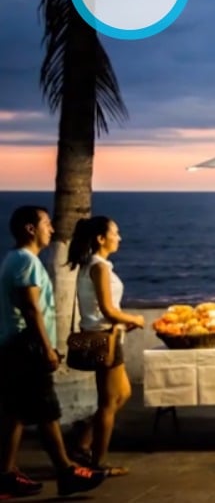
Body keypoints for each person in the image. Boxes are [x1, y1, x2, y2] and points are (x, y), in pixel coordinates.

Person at [0, 206, 106, 498]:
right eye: (46, 223)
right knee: (46, 410)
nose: (52, 229)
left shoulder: (14, 259)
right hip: (27, 345)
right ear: (30, 229)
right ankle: (66, 471)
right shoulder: (26, 261)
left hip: (15, 344)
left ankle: (6, 475)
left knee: (17, 413)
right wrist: (47, 348)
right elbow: (31, 308)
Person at [67, 216, 145, 477]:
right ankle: (97, 463)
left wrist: (123, 323)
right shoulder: (99, 267)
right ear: (101, 238)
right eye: (115, 232)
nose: (119, 237)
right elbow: (109, 310)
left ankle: (82, 442)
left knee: (122, 395)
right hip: (105, 338)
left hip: (107, 334)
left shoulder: (93, 265)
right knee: (109, 402)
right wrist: (134, 319)